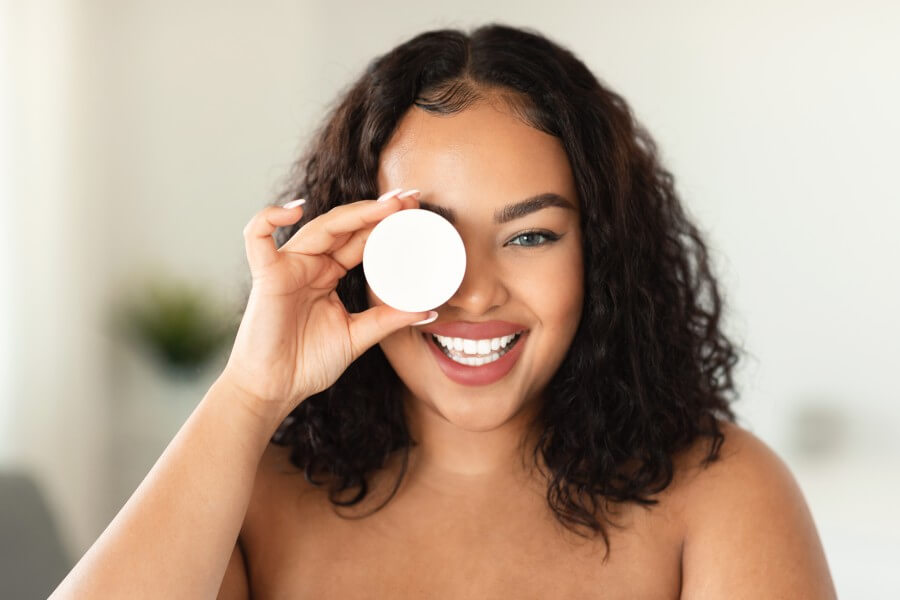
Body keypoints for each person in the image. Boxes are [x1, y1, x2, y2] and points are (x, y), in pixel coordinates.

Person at [50, 23, 837, 598]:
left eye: (531, 235)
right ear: (356, 251)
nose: (474, 291)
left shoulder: (721, 494)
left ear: (602, 253)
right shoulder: (256, 499)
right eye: (428, 240)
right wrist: (250, 395)